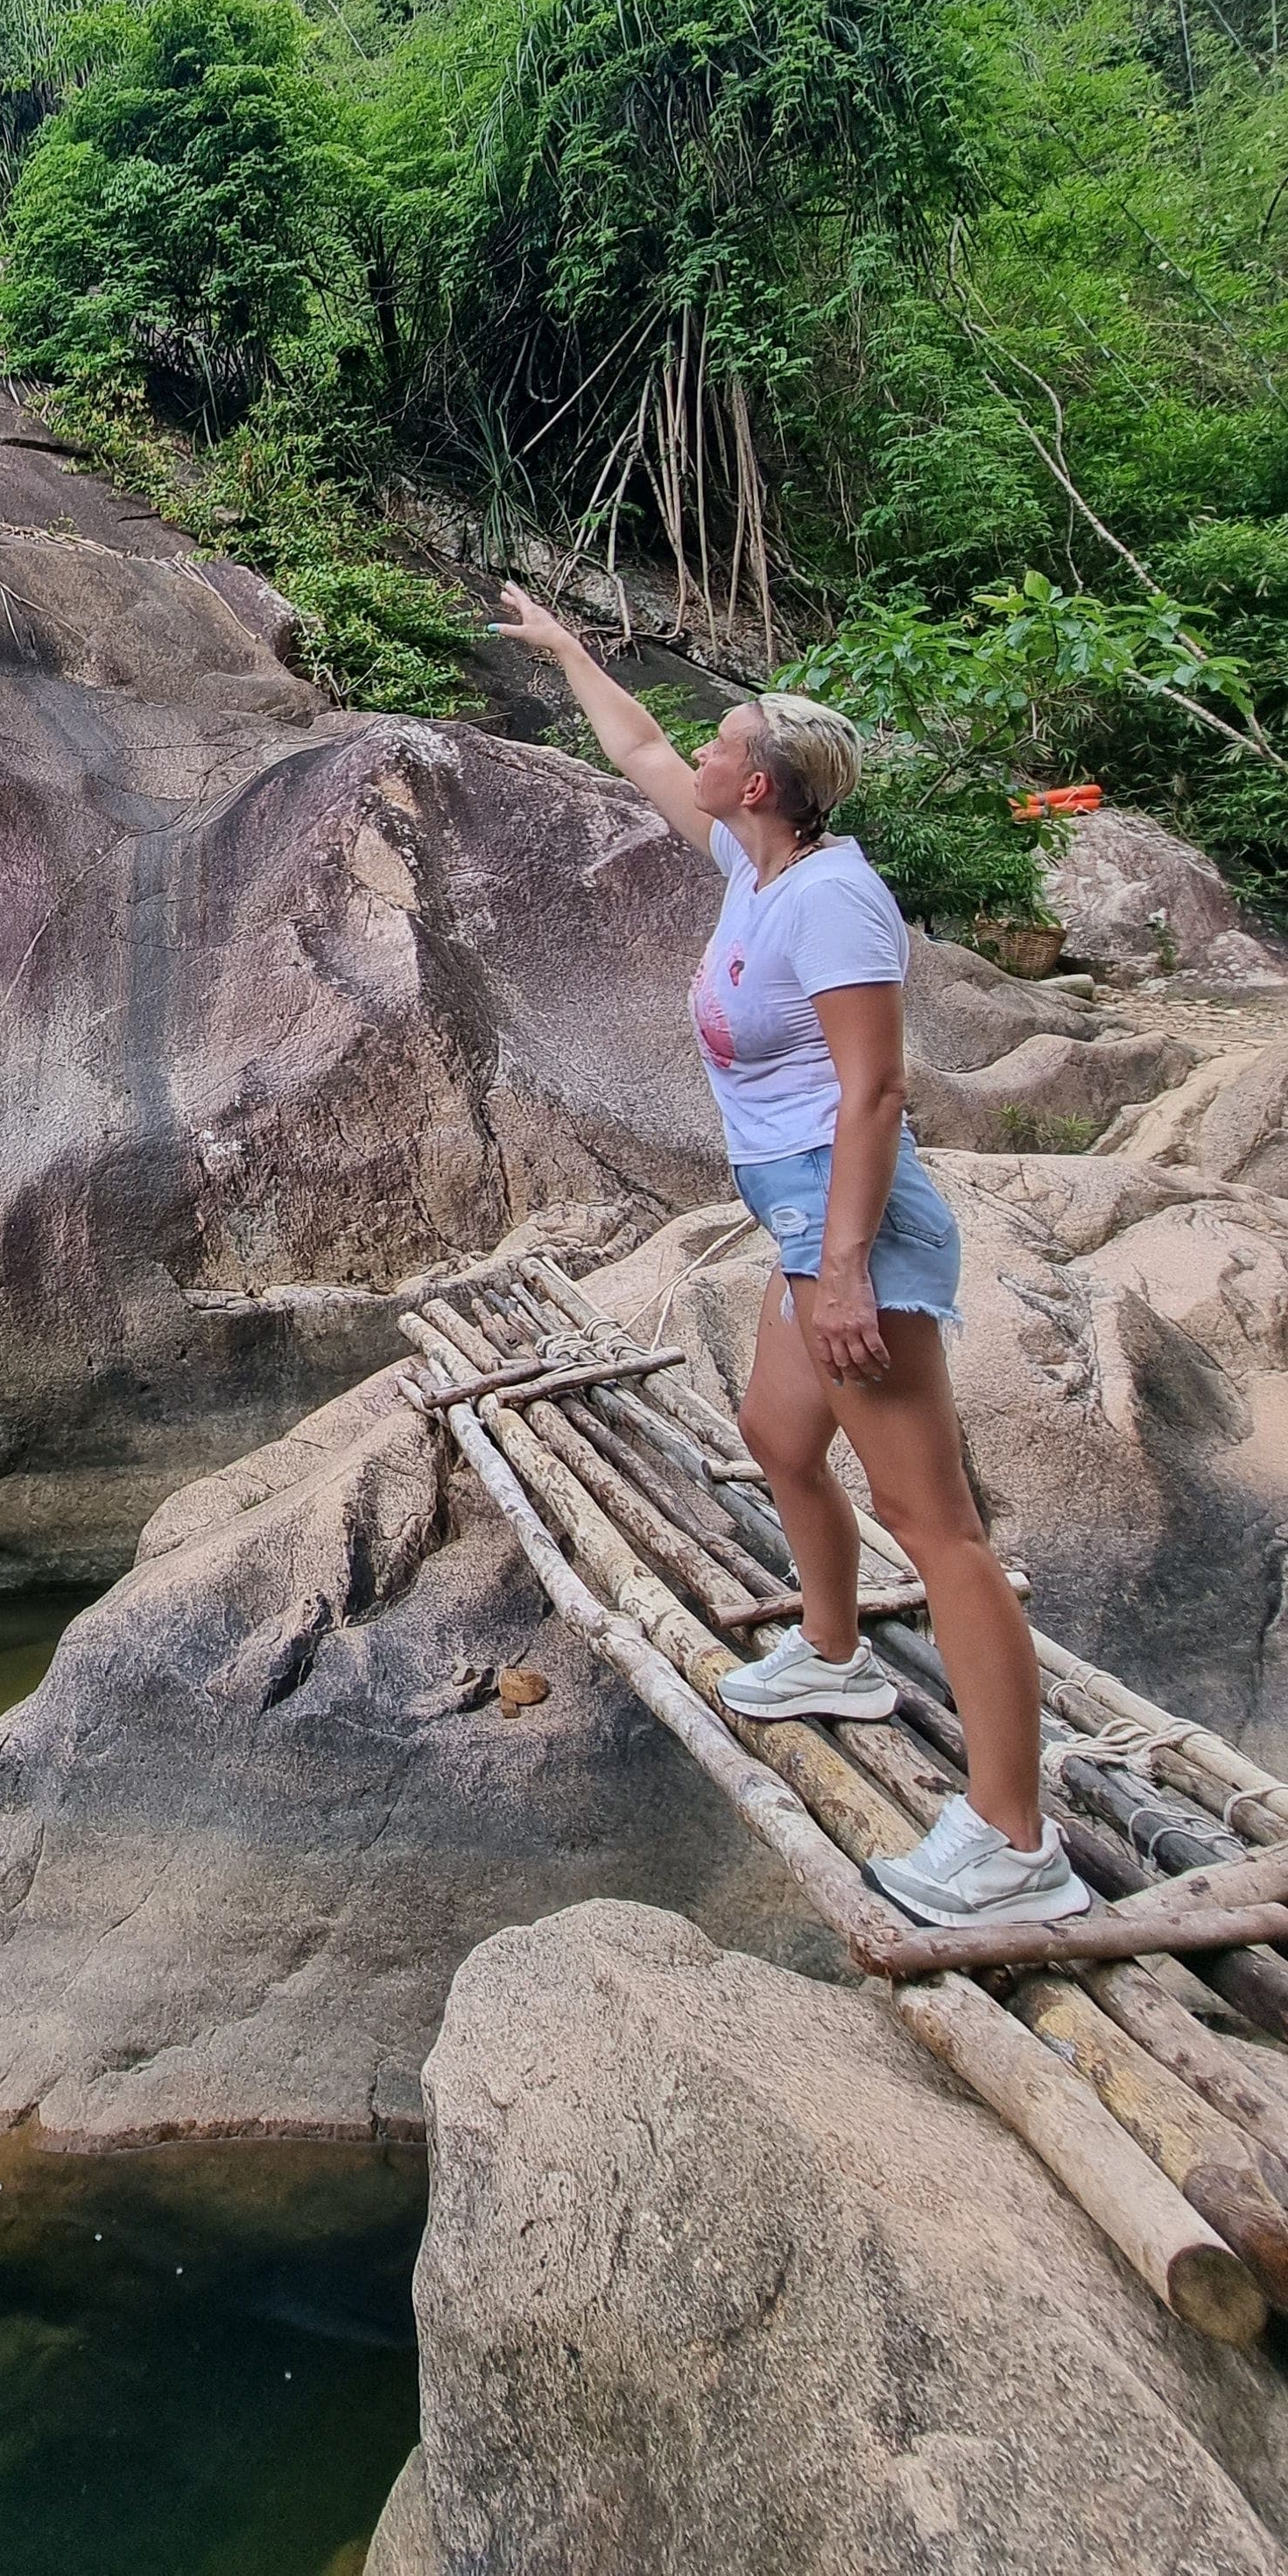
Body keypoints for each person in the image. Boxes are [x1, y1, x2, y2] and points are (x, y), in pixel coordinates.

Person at [498, 583, 1089, 1932]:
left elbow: (874, 1091)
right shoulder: (752, 865)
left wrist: (844, 1267)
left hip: (848, 1214)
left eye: (723, 744)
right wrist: (569, 651)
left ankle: (1016, 1840)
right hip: (804, 1213)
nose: (699, 753)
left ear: (758, 784)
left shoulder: (832, 901)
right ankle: (832, 1652)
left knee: (936, 1529)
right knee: (777, 1434)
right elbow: (641, 747)